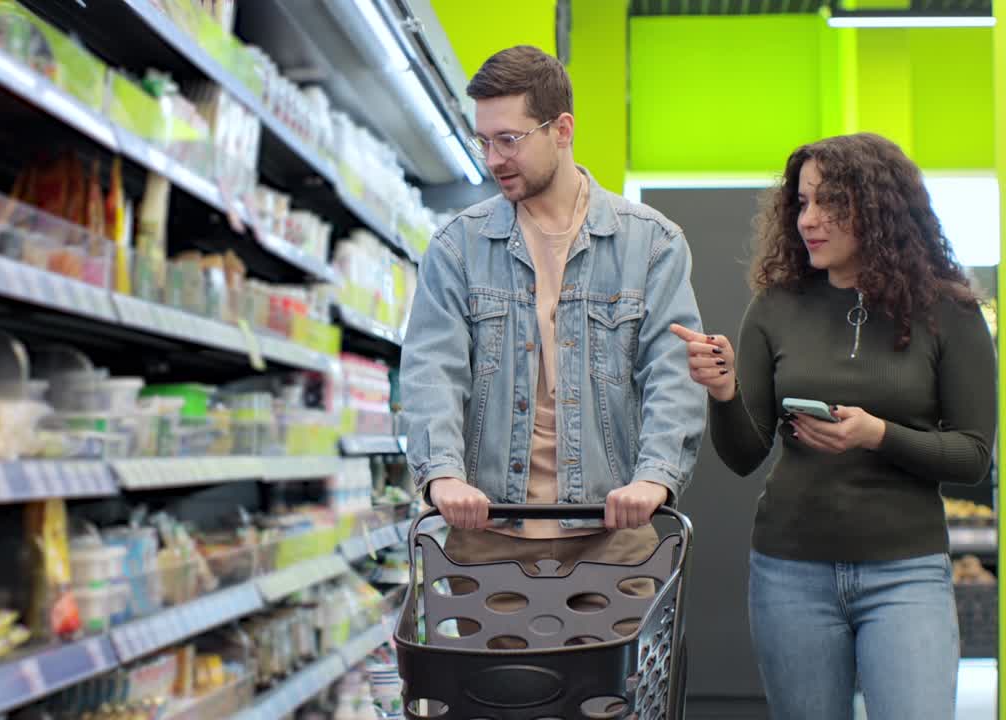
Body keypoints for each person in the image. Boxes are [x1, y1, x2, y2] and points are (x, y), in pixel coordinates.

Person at [671, 132, 996, 720]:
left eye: (830, 204)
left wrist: (879, 435)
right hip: (790, 573)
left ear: (878, 210)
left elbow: (973, 457)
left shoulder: (950, 311)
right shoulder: (775, 308)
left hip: (906, 575)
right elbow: (746, 453)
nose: (809, 220)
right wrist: (723, 392)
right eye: (802, 202)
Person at [400, 45, 706, 614]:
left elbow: (673, 374)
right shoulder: (457, 247)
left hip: (613, 539)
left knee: (607, 702)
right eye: (483, 141)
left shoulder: (651, 243)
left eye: (509, 139)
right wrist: (442, 476)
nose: (492, 158)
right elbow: (431, 372)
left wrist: (654, 479)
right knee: (496, 700)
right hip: (488, 539)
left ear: (561, 129)